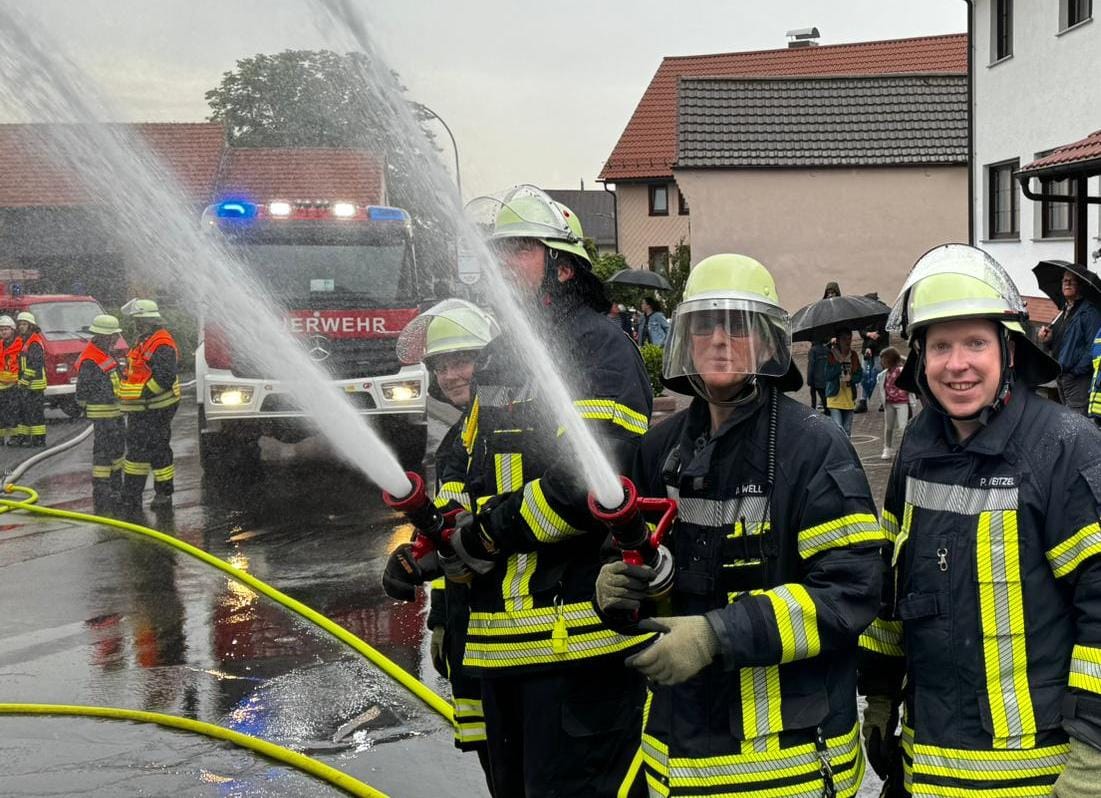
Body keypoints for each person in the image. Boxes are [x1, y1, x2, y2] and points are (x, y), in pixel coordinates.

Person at [594, 253, 885, 797]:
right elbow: (639, 569)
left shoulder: (814, 448)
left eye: (739, 325)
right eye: (705, 325)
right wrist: (617, 590)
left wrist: (714, 635)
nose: (720, 339)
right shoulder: (660, 450)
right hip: (678, 760)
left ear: (770, 343)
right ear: (686, 339)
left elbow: (849, 594)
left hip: (789, 764)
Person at [859, 244, 1101, 797]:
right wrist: (879, 696)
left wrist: (1092, 759)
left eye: (975, 342)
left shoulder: (1067, 448)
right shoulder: (918, 448)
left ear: (1008, 350)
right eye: (941, 345)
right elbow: (891, 589)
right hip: (928, 768)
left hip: (1036, 776)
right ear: (920, 357)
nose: (957, 363)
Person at [446, 186, 653, 797]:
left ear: (563, 267)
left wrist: (486, 533)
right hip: (499, 650)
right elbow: (468, 469)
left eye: (518, 250)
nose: (500, 265)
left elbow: (590, 480)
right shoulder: (500, 357)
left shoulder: (600, 348)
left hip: (577, 649)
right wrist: (437, 539)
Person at [383, 299, 499, 794]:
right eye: (444, 364)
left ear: (492, 362)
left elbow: (486, 531)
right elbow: (446, 529)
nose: (453, 374)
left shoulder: (507, 432)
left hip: (508, 629)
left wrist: (428, 560)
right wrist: (436, 615)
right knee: (496, 762)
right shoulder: (456, 442)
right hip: (467, 629)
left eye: (464, 360)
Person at [118, 299, 180, 514]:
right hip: (142, 408)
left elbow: (164, 378)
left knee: (155, 450)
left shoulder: (161, 343)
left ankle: (161, 494)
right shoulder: (145, 339)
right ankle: (134, 494)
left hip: (156, 408)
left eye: (137, 320)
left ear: (146, 321)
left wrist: (143, 394)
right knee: (139, 450)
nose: (135, 324)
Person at [75, 315, 125, 514]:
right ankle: (103, 488)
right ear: (104, 336)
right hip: (104, 412)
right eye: (114, 336)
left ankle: (114, 485)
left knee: (116, 449)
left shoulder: (103, 352)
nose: (116, 339)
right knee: (104, 452)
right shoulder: (91, 357)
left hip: (113, 411)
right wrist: (107, 399)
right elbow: (85, 388)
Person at [1038, 267, 1101, 414]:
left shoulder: (1090, 313)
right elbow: (1061, 343)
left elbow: (1094, 347)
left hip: (1077, 379)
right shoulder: (1063, 311)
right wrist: (1047, 340)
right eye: (1064, 280)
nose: (1067, 283)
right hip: (1062, 376)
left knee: (1078, 423)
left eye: (1072, 281)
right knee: (1068, 420)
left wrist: (1075, 372)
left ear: (1081, 286)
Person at [15, 310, 46, 447]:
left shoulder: (34, 342)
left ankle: (39, 439)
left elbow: (34, 365)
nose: (21, 327)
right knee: (25, 411)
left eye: (24, 324)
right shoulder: (25, 340)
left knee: (35, 412)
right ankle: (26, 437)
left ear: (31, 326)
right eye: (20, 324)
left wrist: (24, 380)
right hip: (27, 383)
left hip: (35, 383)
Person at [825, 326, 862, 437]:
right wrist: (838, 364)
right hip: (834, 398)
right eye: (844, 339)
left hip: (849, 399)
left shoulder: (853, 355)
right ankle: (839, 453)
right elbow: (827, 376)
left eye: (849, 338)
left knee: (847, 431)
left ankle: (846, 454)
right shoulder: (831, 355)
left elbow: (859, 375)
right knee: (839, 430)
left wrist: (852, 379)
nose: (848, 341)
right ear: (838, 340)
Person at [876, 347, 912, 460]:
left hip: (902, 402)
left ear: (889, 359)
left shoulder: (901, 370)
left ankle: (904, 449)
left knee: (903, 427)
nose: (881, 362)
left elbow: (909, 365)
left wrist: (899, 356)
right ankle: (887, 448)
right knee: (889, 427)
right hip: (889, 403)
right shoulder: (883, 374)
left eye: (883, 359)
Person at [0, 316, 22, 445]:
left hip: (15, 385)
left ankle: (15, 437)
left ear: (13, 330)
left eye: (6, 329)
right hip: (1, 385)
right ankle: (1, 438)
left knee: (14, 412)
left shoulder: (19, 345)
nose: (3, 332)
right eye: (1, 329)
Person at [807, 337, 829, 411]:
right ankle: (827, 410)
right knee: (824, 396)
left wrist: (809, 379)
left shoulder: (812, 350)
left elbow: (811, 365)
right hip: (824, 377)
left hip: (815, 378)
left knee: (813, 395)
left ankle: (813, 409)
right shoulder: (827, 349)